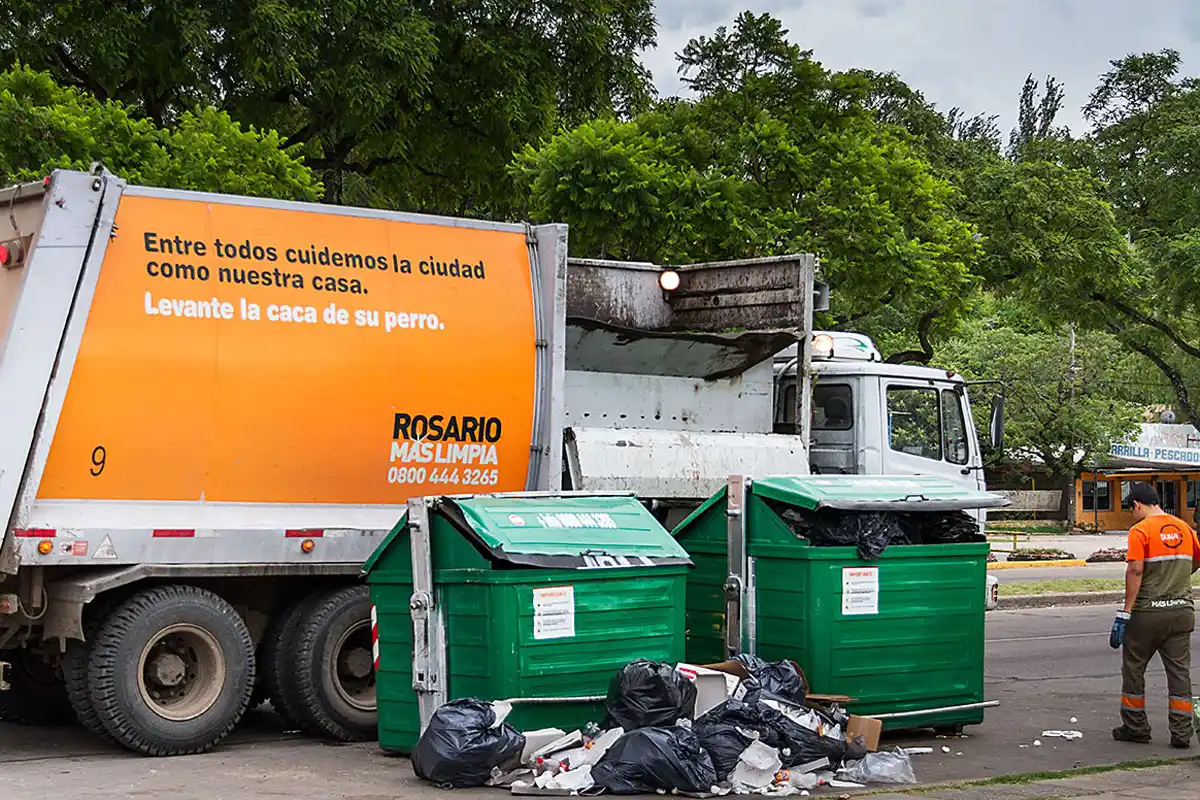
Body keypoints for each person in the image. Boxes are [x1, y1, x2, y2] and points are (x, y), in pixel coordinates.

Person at [1111, 482, 1200, 748]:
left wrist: (1126, 612)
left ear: (1137, 505)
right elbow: (1196, 560)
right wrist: (1176, 580)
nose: (1132, 514)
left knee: (1134, 668)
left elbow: (1135, 571)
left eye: (1131, 509)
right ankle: (1182, 733)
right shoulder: (1184, 527)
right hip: (1181, 611)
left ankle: (1136, 726)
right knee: (1179, 673)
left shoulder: (1140, 531)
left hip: (1148, 613)